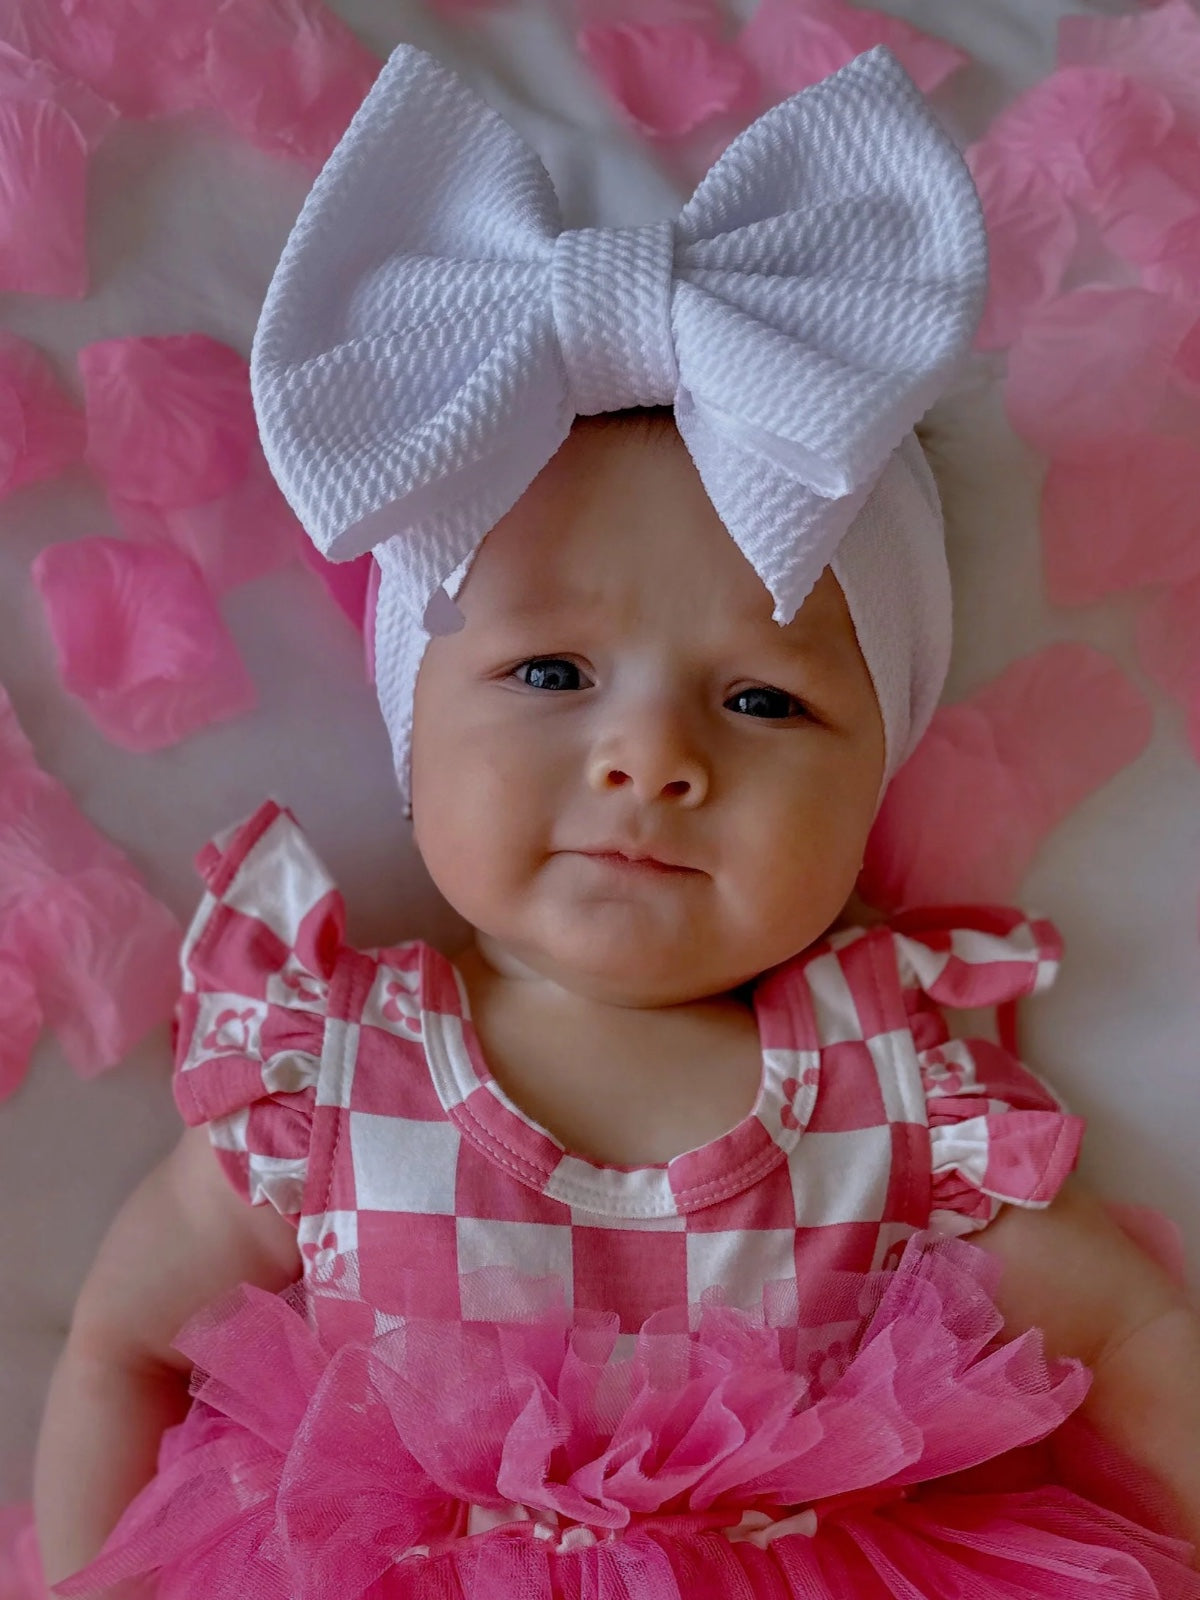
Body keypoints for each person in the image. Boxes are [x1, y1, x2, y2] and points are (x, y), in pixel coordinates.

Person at [34, 41, 1200, 1600]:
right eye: (552, 672)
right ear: (409, 731)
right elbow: (121, 1344)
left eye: (765, 703)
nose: (648, 758)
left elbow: (1128, 1335)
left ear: (877, 778)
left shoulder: (897, 1103)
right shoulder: (323, 1081)